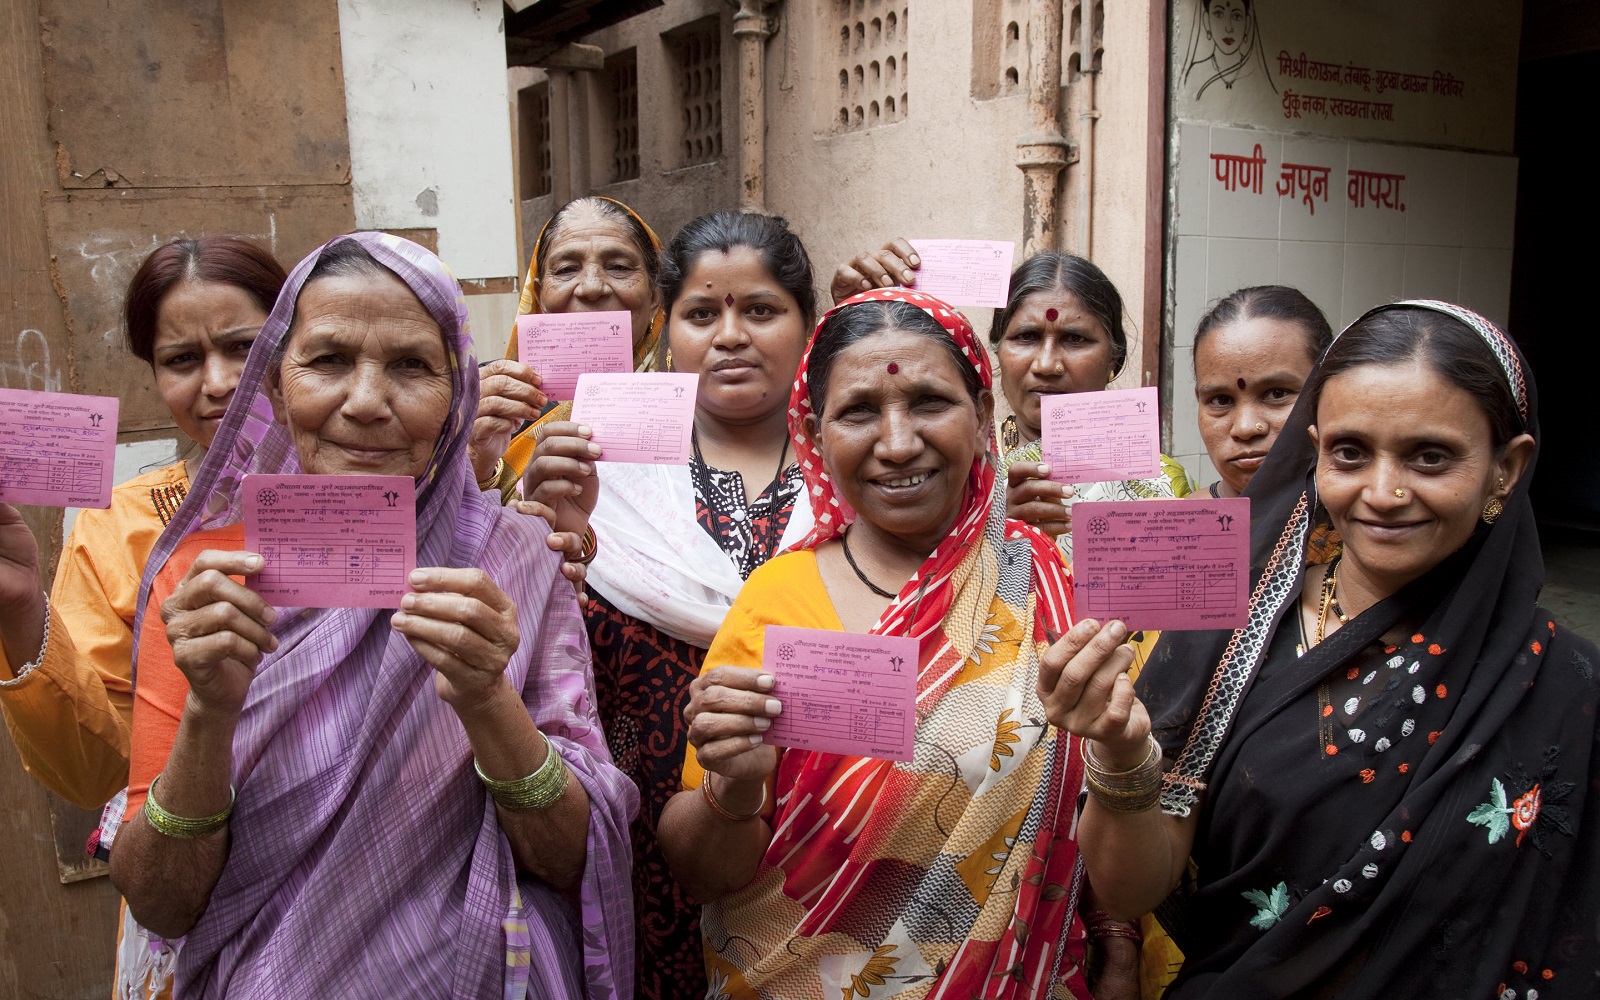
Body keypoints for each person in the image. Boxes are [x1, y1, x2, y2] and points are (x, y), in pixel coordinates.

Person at [109, 233, 637, 999]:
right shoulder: (208, 586)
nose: (364, 401)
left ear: (456, 391)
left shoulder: (514, 559)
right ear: (278, 385)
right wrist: (210, 712)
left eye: (410, 366)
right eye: (326, 361)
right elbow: (159, 900)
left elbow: (571, 860)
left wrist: (488, 702)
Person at [1049, 300, 1600, 996]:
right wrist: (1123, 757)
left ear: (1506, 467)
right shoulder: (1227, 633)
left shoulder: (1566, 687)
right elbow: (1132, 890)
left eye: (1430, 456)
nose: (1383, 491)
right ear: (1314, 451)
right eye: (1350, 452)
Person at [657, 287, 1096, 999]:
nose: (897, 443)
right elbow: (703, 874)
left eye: (929, 402)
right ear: (815, 433)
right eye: (859, 411)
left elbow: (1102, 809)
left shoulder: (1046, 582)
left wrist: (1117, 938)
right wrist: (733, 788)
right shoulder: (777, 601)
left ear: (983, 416)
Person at [516, 211, 817, 1000]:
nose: (731, 336)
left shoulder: (864, 464)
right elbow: (539, 668)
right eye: (702, 313)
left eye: (760, 310)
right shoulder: (591, 462)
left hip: (827, 842)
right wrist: (559, 545)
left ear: (806, 322)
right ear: (664, 324)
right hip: (643, 843)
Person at [0, 235, 285, 809]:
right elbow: (95, 775)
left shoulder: (370, 505)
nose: (218, 383)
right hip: (184, 865)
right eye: (182, 359)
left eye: (245, 348)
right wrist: (22, 608)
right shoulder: (116, 529)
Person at [833, 243, 1191, 560]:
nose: (1047, 364)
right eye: (1027, 337)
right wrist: (987, 525)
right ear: (997, 353)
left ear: (1114, 359)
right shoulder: (943, 468)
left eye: (1075, 339)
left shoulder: (1163, 482)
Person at [470, 196, 666, 497]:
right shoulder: (488, 401)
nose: (591, 287)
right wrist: (476, 460)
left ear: (654, 295)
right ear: (540, 295)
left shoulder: (689, 411)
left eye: (618, 267)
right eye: (565, 269)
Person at [1192, 285, 1332, 499]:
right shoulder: (1179, 525)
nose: (1246, 428)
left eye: (1276, 394)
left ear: (1329, 392)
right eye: (1221, 400)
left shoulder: (1369, 519)